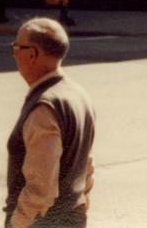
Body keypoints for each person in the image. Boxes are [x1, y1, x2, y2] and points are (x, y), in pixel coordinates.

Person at [6, 18, 95, 228]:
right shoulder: (78, 94)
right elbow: (87, 165)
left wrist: (17, 223)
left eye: (16, 47)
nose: (13, 53)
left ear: (32, 54)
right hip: (73, 216)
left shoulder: (44, 107)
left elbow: (40, 189)